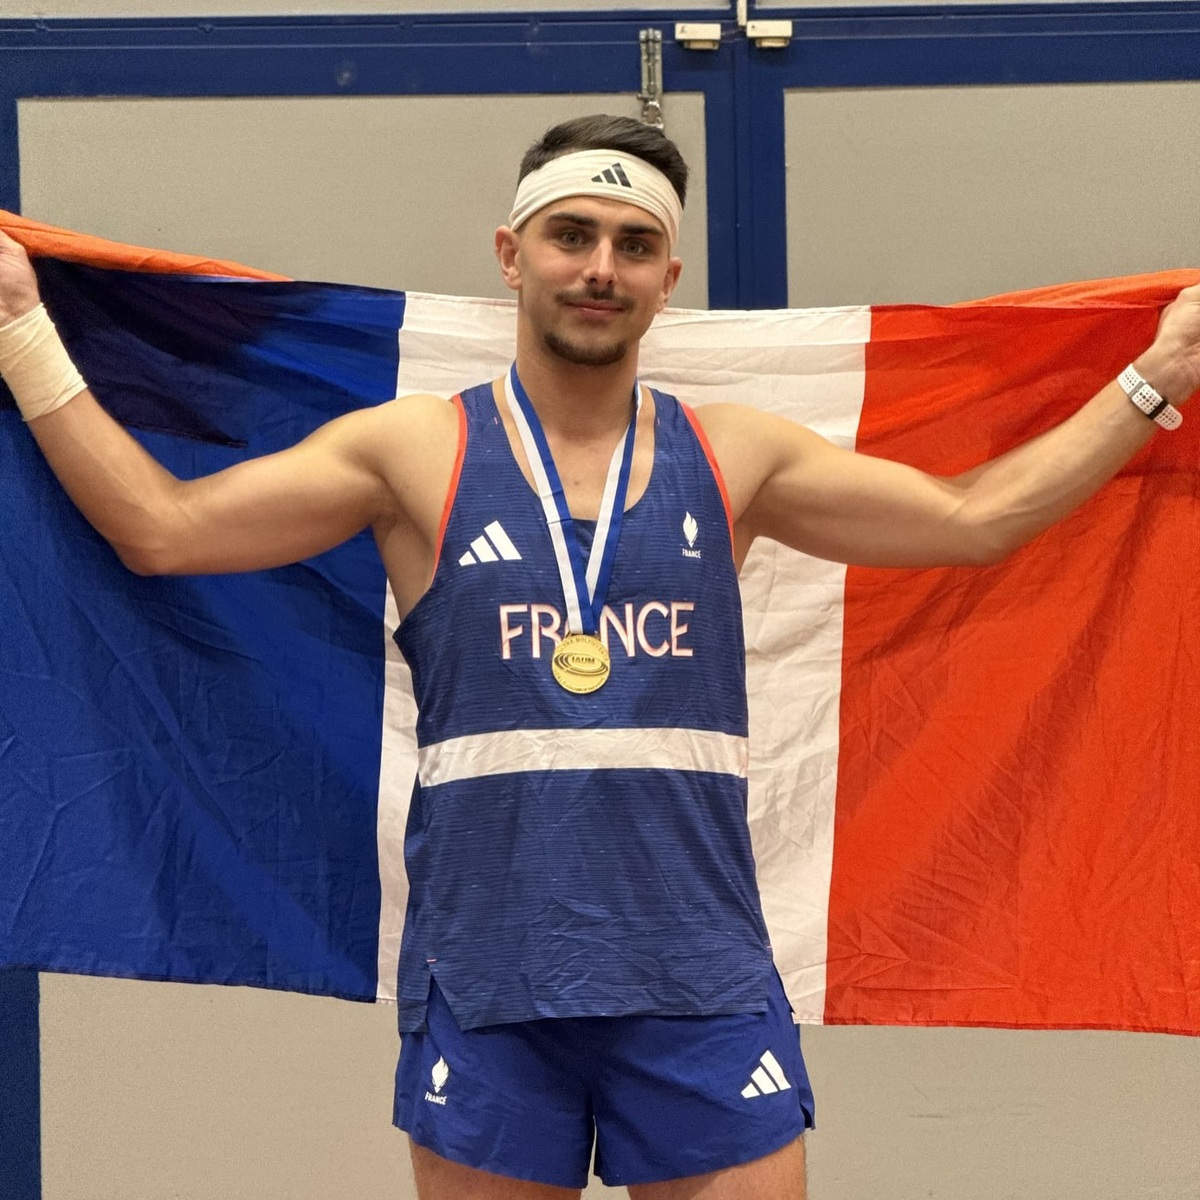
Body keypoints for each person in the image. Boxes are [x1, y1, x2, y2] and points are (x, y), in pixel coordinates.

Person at [0, 114, 1197, 1200]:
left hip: (698, 980)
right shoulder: (412, 453)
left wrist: (1161, 374)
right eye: (571, 235)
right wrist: (19, 329)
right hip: (490, 982)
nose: (600, 268)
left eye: (634, 245)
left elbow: (974, 521)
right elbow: (163, 531)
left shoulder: (737, 457)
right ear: (512, 254)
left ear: (667, 280)